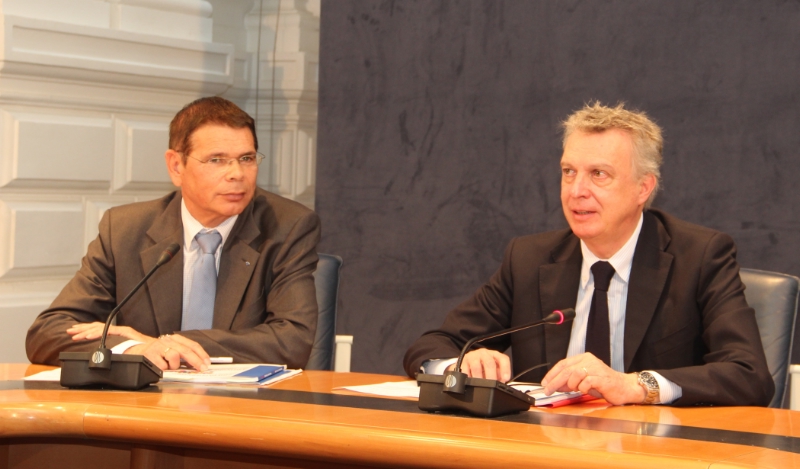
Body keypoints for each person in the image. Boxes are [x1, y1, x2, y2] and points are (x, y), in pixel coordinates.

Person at [403, 102, 773, 406]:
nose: (576, 190)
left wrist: (636, 385)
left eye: (599, 174)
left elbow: (749, 374)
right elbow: (430, 347)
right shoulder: (530, 259)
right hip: (545, 451)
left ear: (643, 188)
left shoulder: (700, 257)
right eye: (568, 172)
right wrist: (460, 363)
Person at [26, 97, 320, 371]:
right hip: (145, 402)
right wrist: (133, 348)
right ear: (176, 166)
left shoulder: (288, 226)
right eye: (216, 160)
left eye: (246, 158)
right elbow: (47, 333)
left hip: (242, 402)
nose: (237, 174)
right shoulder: (125, 230)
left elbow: (292, 341)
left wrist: (166, 345)